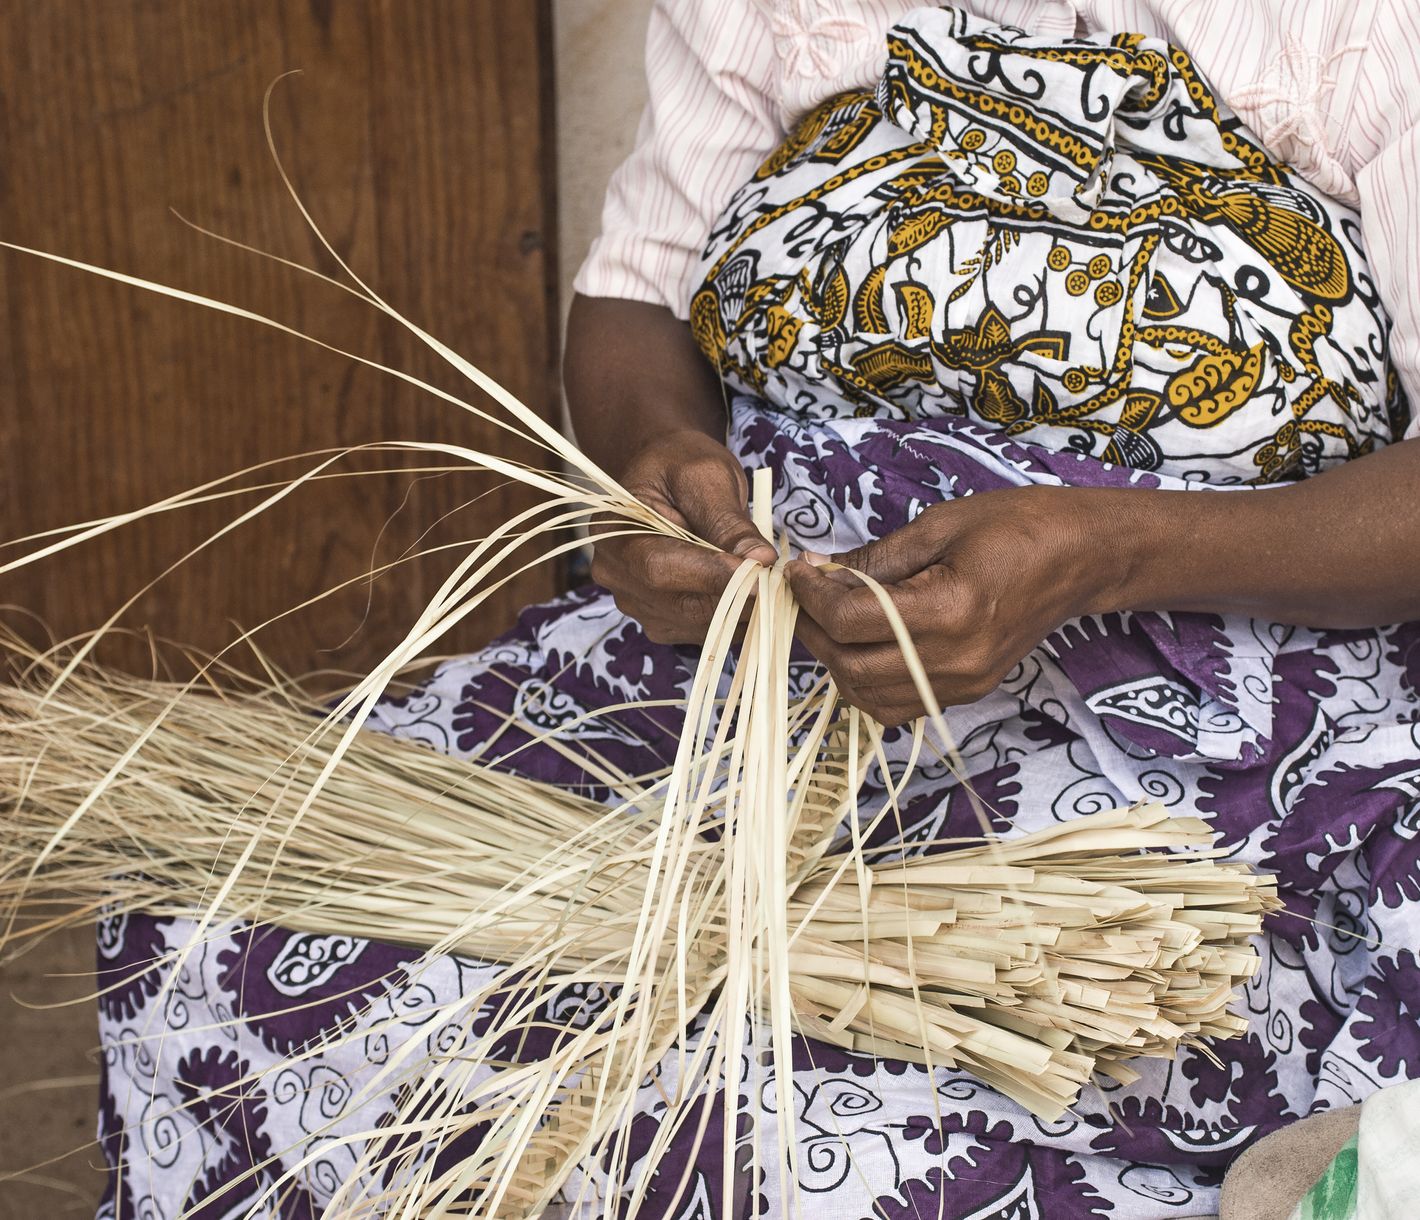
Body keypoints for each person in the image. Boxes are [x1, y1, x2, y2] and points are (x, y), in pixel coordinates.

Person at [96, 3, 1420, 1218]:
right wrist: (660, 470)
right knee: (214, 931)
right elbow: (635, 295)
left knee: (767, 1138)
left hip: (1196, 705)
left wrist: (1106, 556)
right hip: (763, 644)